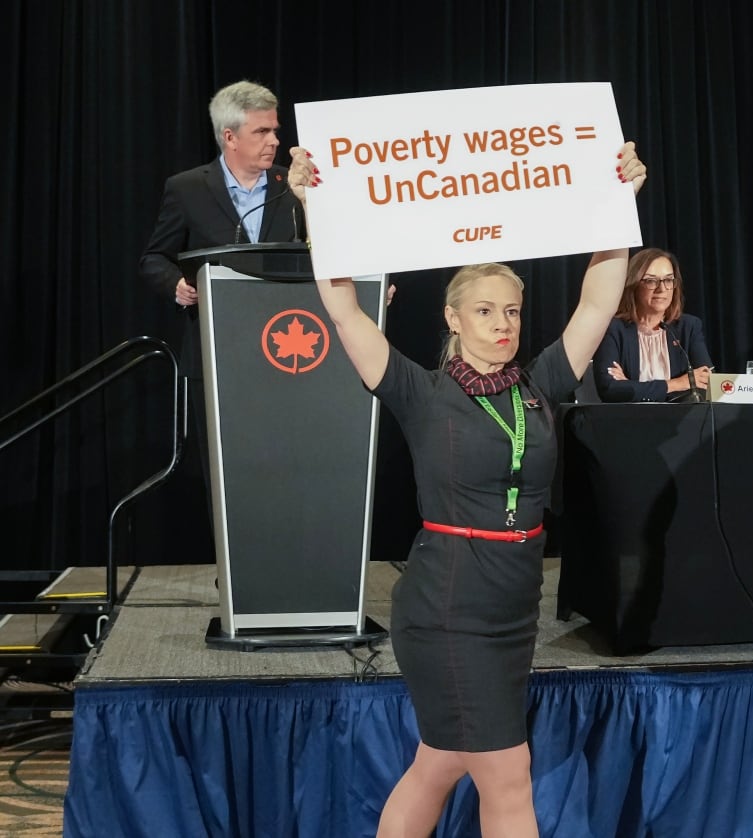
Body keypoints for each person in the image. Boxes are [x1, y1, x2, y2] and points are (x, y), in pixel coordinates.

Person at [287, 143, 646, 838]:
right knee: (507, 776)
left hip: (513, 608)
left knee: (440, 761)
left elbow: (600, 298)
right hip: (449, 605)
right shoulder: (421, 393)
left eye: (512, 311)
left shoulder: (538, 383)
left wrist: (617, 199)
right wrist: (314, 209)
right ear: (454, 319)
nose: (504, 324)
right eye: (486, 312)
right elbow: (345, 311)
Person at [139, 80, 304, 525]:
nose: (275, 141)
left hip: (291, 353)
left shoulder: (293, 188)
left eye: (275, 130)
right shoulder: (188, 187)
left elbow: (322, 248)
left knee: (289, 463)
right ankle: (238, 572)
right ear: (229, 137)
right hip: (218, 353)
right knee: (228, 469)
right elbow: (155, 255)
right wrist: (176, 284)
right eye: (262, 132)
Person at [591, 247, 712, 401]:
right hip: (630, 422)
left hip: (682, 422)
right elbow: (610, 389)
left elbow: (706, 384)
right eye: (651, 281)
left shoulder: (688, 327)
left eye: (668, 280)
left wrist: (631, 386)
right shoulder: (613, 329)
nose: (661, 289)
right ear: (633, 285)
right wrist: (677, 384)